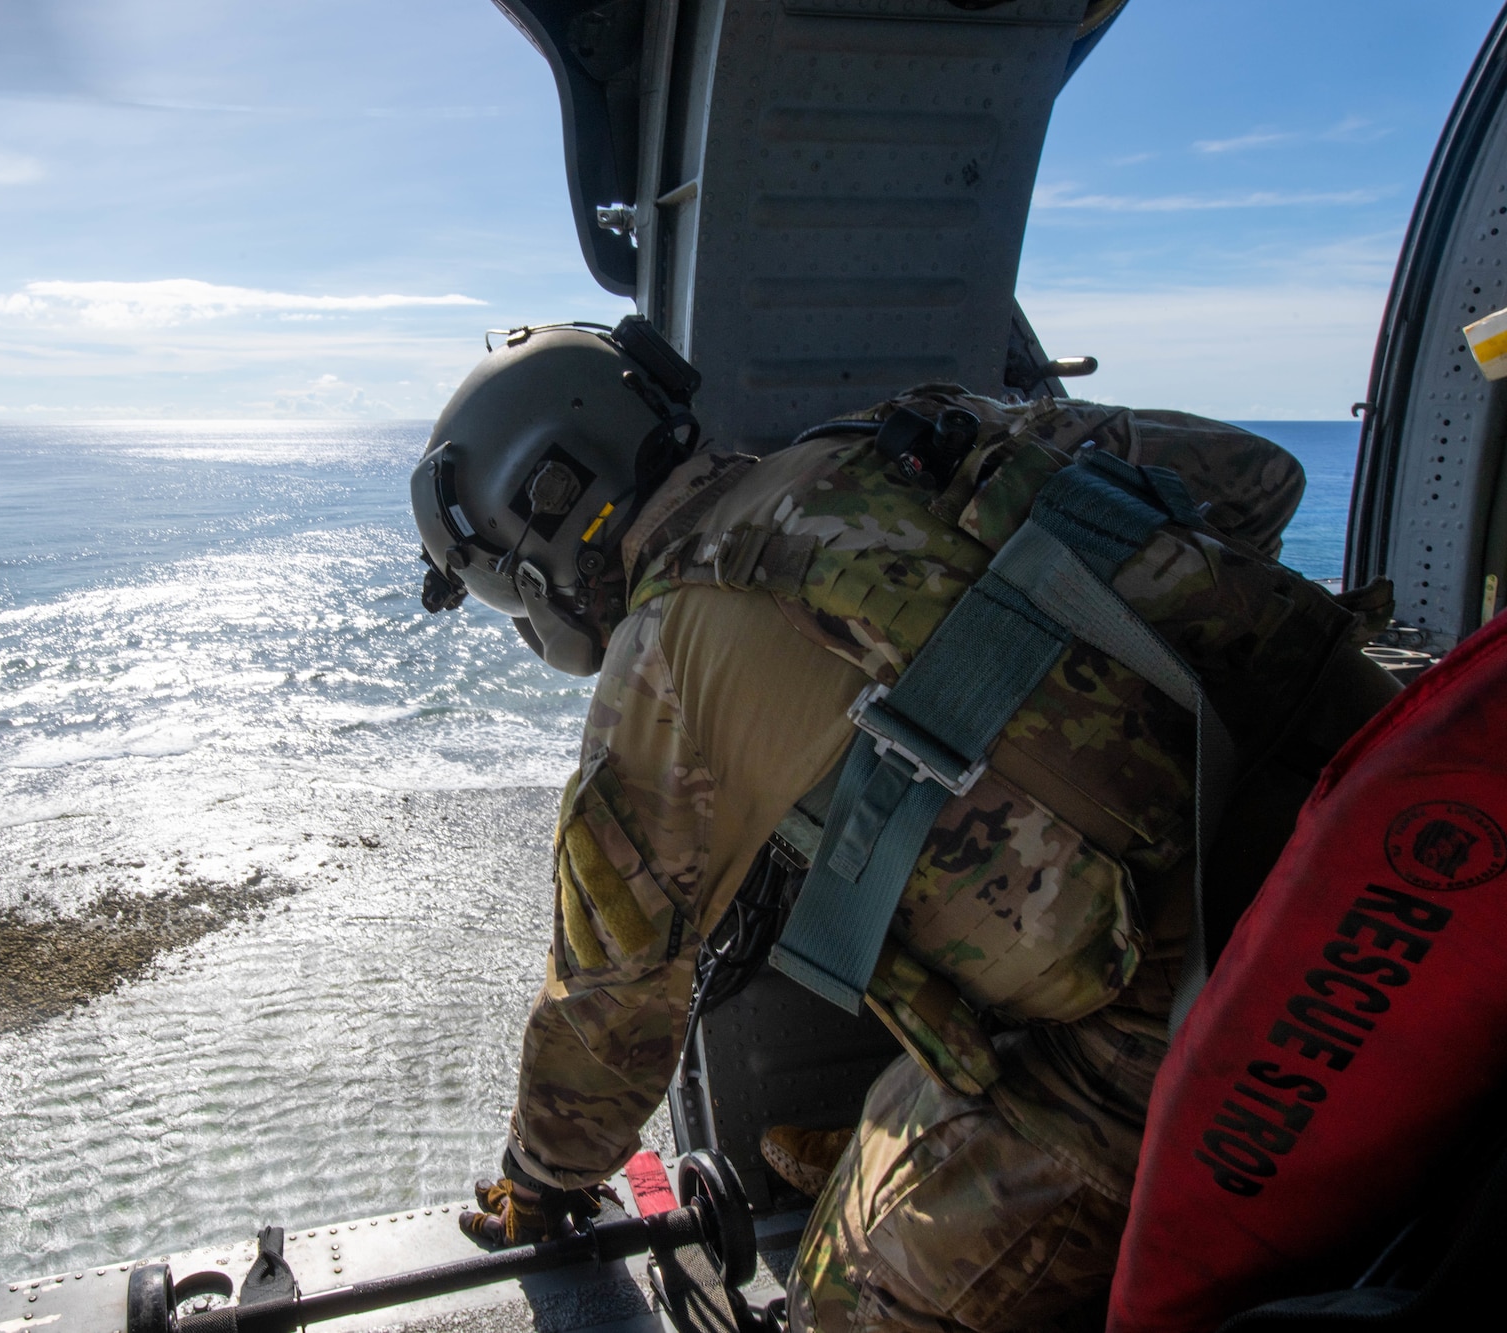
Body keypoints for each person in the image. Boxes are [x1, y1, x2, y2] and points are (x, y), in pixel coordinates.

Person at [411, 320, 1399, 1333]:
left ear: (538, 537)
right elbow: (1258, 481)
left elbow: (611, 1005)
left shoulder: (662, 660)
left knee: (840, 1305)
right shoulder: (921, 435)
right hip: (1380, 805)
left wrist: (541, 1175)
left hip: (1197, 1017)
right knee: (903, 1087)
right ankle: (892, 1149)